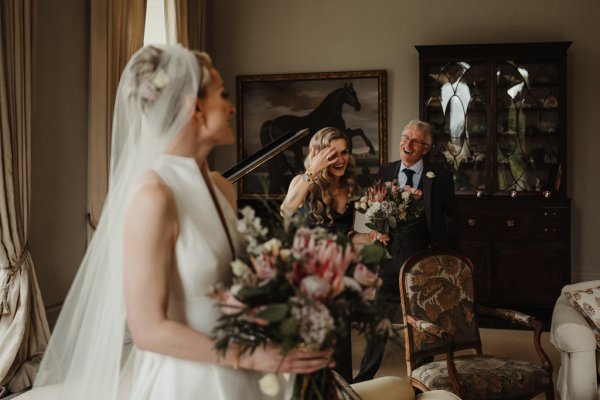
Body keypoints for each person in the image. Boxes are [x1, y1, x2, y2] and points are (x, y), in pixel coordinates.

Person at [32, 45, 333, 400]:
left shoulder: (222, 187)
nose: (231, 106)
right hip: (189, 382)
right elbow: (147, 330)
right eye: (221, 95)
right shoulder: (153, 195)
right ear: (194, 107)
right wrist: (253, 355)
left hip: (245, 375)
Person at [354, 119, 461, 383]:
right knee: (379, 319)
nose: (407, 144)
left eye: (415, 141)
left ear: (425, 148)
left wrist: (445, 257)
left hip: (423, 259)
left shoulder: (440, 176)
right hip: (389, 258)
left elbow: (453, 219)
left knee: (423, 323)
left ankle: (423, 380)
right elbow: (376, 207)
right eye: (405, 137)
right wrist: (378, 231)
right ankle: (365, 376)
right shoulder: (387, 169)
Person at [280, 127, 389, 383]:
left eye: (344, 152)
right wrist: (312, 172)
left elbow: (346, 233)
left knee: (340, 343)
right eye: (333, 154)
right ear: (318, 155)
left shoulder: (349, 188)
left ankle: (341, 389)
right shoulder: (302, 182)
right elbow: (287, 210)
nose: (341, 159)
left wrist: (370, 237)